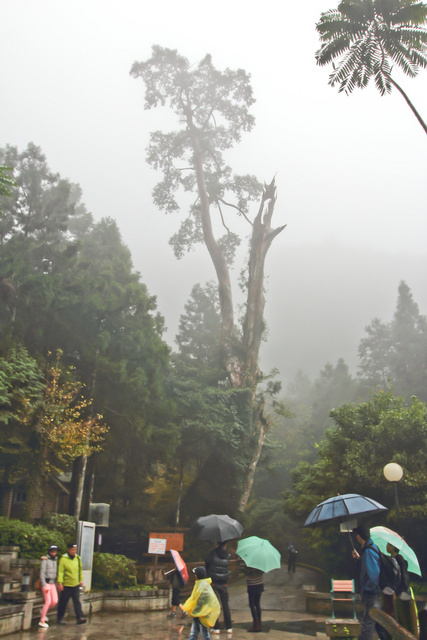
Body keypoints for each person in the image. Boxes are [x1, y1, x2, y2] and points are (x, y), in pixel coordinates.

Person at [352, 525, 383, 640]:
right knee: (377, 623)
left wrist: (368, 590)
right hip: (374, 593)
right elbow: (368, 567)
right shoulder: (370, 549)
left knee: (367, 623)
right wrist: (359, 559)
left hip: (372, 593)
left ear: (359, 536)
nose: (356, 537)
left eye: (356, 535)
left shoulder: (369, 551)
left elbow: (373, 574)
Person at [182, 566, 220, 640]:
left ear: (196, 576)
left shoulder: (201, 586)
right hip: (202, 613)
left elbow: (199, 601)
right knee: (195, 632)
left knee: (203, 633)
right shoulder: (204, 584)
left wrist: (193, 611)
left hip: (202, 614)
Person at [205, 541, 232, 634]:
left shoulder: (212, 553)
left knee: (215, 605)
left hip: (214, 583)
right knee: (225, 605)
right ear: (226, 544)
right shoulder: (228, 555)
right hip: (224, 583)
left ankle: (216, 628)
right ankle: (229, 627)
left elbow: (207, 564)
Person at [56, 543, 87, 625]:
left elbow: (80, 569)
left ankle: (79, 617)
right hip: (66, 584)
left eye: (75, 550)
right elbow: (61, 571)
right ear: (68, 550)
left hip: (75, 583)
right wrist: (60, 582)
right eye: (72, 550)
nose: (74, 551)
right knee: (63, 601)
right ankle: (60, 618)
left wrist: (80, 579)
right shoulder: (63, 559)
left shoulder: (78, 558)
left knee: (76, 601)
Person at [38, 545, 58, 628]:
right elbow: (42, 572)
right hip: (46, 583)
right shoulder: (45, 560)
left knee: (55, 601)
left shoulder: (56, 560)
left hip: (53, 583)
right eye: (52, 551)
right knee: (48, 601)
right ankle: (42, 620)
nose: (54, 553)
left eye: (55, 551)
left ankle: (43, 612)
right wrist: (43, 584)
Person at [244, 566, 264, 633]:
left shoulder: (249, 565)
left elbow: (246, 573)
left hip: (252, 585)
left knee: (252, 605)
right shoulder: (262, 563)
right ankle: (259, 623)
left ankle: (256, 625)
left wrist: (245, 567)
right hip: (259, 585)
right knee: (257, 604)